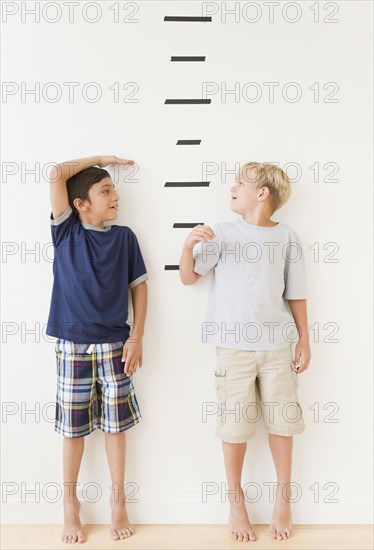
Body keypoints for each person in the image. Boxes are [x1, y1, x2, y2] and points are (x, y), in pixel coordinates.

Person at [179, 162, 311, 542]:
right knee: (234, 428)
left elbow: (296, 292)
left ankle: (282, 499)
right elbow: (189, 277)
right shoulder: (220, 233)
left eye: (241, 182)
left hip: (276, 346)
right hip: (232, 350)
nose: (232, 187)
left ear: (262, 194)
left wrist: (305, 339)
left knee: (282, 424)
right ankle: (235, 501)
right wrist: (188, 245)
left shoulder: (286, 237)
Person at [46, 155, 148, 543]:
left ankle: (118, 501)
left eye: (115, 189)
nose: (115, 196)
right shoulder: (66, 232)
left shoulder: (124, 238)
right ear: (80, 204)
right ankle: (70, 505)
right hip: (72, 345)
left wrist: (136, 336)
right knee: (73, 431)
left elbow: (139, 286)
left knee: (115, 427)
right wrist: (103, 160)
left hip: (116, 346)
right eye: (106, 190)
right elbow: (56, 173)